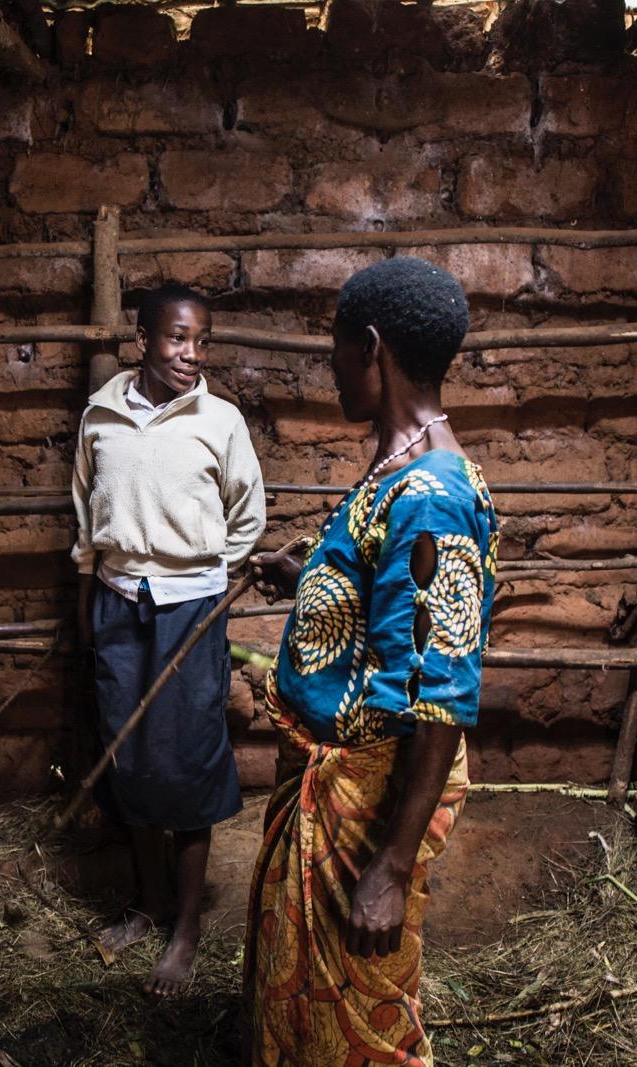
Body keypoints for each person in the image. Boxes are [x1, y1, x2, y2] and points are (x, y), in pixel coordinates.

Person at [243, 257, 498, 1065]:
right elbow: (392, 608)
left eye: (335, 349)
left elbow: (439, 694)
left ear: (371, 348)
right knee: (320, 1003)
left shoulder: (431, 494)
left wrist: (388, 865)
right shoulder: (399, 464)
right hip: (333, 772)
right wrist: (311, 577)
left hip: (365, 790)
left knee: (363, 1006)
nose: (332, 368)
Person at [71, 282, 267, 996]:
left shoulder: (220, 421)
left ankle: (185, 928)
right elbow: (87, 533)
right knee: (128, 759)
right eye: (178, 337)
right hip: (120, 609)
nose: (191, 353)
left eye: (201, 340)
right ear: (144, 338)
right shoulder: (101, 418)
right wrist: (90, 620)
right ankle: (148, 903)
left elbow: (248, 515)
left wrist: (207, 574)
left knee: (186, 761)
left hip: (193, 611)